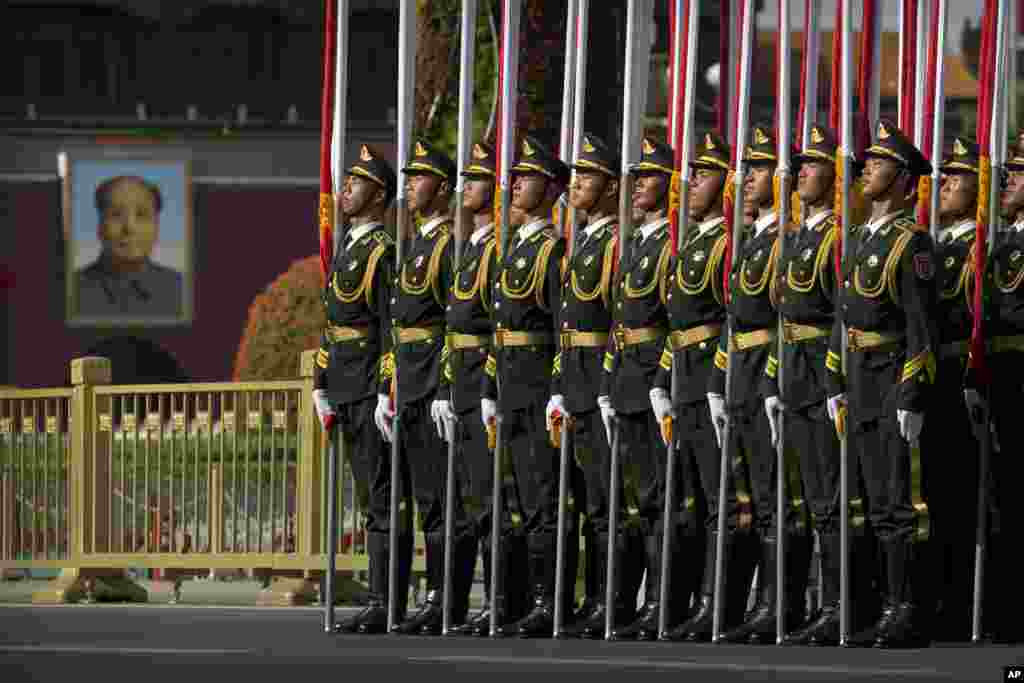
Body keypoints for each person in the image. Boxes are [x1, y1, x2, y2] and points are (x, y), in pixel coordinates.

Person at [824, 119, 936, 649]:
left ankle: (904, 608)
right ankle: (868, 605)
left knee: (895, 508)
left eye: (879, 163)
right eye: (867, 162)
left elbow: (921, 329)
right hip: (857, 381)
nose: (866, 169)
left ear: (905, 179)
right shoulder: (858, 238)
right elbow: (842, 319)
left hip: (891, 380)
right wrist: (835, 381)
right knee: (865, 504)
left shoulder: (912, 244)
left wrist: (912, 395)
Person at [703, 124, 808, 645]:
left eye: (760, 169)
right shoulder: (752, 239)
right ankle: (736, 605)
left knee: (776, 496)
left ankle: (779, 603)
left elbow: (787, 316)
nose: (747, 179)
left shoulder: (787, 239)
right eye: (746, 170)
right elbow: (734, 316)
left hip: (770, 369)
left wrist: (771, 380)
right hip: (740, 371)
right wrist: (721, 377)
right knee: (745, 497)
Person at [763, 125, 867, 646]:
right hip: (791, 372)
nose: (800, 171)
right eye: (799, 164)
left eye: (812, 164)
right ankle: (794, 604)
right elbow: (782, 313)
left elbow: (839, 317)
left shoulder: (836, 239)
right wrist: (772, 378)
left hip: (824, 377)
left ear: (836, 176)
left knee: (829, 499)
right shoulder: (795, 235)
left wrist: (833, 381)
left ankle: (837, 605)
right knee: (800, 499)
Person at [379, 139, 476, 635]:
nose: (410, 187)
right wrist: (388, 386)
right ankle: (434, 595)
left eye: (420, 179)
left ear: (442, 188)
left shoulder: (445, 248)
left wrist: (442, 385)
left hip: (433, 383)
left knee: (445, 500)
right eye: (408, 178)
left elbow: (448, 325)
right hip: (409, 385)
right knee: (426, 501)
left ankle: (447, 599)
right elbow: (400, 324)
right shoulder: (414, 245)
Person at [312, 144, 410, 635]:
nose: (345, 190)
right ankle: (378, 597)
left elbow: (389, 327)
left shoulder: (382, 252)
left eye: (357, 184)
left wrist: (386, 391)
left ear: (380, 197)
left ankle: (385, 600)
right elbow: (333, 325)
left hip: (371, 388)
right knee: (368, 496)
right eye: (347, 181)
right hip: (346, 386)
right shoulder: (348, 248)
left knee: (381, 497)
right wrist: (320, 384)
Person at [658, 132, 752, 643]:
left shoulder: (723, 245)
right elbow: (677, 320)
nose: (691, 181)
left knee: (722, 503)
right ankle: (685, 601)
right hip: (682, 382)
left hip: (712, 383)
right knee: (688, 502)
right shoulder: (692, 243)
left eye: (704, 173)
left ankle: (721, 605)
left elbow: (731, 321)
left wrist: (718, 379)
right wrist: (660, 379)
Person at [434, 141, 529, 636]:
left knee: (497, 498)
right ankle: (476, 600)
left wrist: (487, 382)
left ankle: (503, 600)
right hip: (463, 379)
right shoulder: (468, 246)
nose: (463, 189)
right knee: (473, 498)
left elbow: (498, 325)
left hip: (490, 377)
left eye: (475, 181)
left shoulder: (498, 249)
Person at [480, 134, 571, 638]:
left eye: (526, 177)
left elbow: (563, 328)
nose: (514, 185)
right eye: (514, 177)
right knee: (510, 499)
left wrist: (557, 388)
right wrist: (491, 388)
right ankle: (510, 599)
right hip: (511, 388)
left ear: (552, 188)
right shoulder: (514, 251)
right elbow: (499, 326)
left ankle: (545, 599)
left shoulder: (551, 252)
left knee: (541, 501)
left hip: (537, 389)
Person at [545, 133, 636, 638]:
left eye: (588, 176)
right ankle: (590, 597)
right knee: (583, 503)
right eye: (576, 175)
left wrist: (604, 385)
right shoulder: (582, 244)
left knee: (607, 501)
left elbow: (617, 321)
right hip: (575, 381)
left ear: (609, 188)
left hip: (601, 381)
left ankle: (612, 599)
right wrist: (561, 383)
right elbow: (566, 322)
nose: (576, 183)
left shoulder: (614, 244)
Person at [597, 137, 675, 641]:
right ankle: (620, 602)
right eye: (638, 175)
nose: (639, 184)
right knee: (628, 499)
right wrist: (607, 380)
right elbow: (618, 320)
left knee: (657, 498)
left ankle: (659, 603)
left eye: (650, 176)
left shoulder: (670, 243)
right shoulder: (637, 244)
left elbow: (676, 323)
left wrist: (662, 381)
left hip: (653, 381)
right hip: (626, 379)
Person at [918, 136, 983, 643]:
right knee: (933, 495)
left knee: (964, 499)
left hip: (962, 378)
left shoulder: (979, 248)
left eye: (958, 179)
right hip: (931, 380)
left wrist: (973, 378)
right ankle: (935, 597)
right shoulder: (934, 244)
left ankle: (964, 604)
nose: (945, 186)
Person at [970, 143, 1024, 644]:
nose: (1006, 182)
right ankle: (1005, 609)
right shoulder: (1004, 242)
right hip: (1003, 375)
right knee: (1004, 495)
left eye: (1017, 175)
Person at [73, 175, 183, 319]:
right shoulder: (71, 291)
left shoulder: (181, 289)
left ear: (157, 227)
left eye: (142, 215)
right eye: (116, 215)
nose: (130, 227)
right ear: (99, 227)